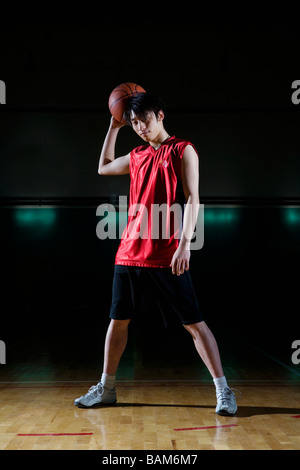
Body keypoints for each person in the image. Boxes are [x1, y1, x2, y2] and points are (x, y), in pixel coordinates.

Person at [74, 92, 238, 416]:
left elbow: (193, 199)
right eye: (133, 123)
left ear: (160, 115)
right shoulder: (136, 155)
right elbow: (103, 167)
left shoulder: (183, 150)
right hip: (129, 252)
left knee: (194, 324)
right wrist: (113, 126)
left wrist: (185, 243)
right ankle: (106, 389)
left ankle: (224, 391)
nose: (139, 128)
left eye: (143, 120)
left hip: (166, 253)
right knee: (117, 322)